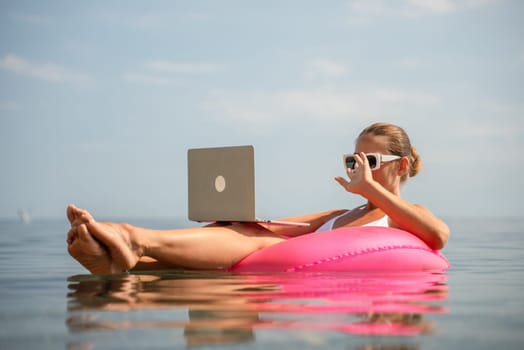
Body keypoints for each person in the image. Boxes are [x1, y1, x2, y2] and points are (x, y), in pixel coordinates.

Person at [67, 122, 450, 274]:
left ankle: (131, 238)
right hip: (272, 270)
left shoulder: (407, 215)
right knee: (244, 230)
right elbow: (284, 226)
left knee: (251, 242)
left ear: (400, 167)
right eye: (353, 159)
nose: (358, 168)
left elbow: (438, 237)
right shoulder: (343, 212)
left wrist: (369, 189)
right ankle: (115, 256)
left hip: (289, 286)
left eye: (369, 160)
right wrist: (235, 218)